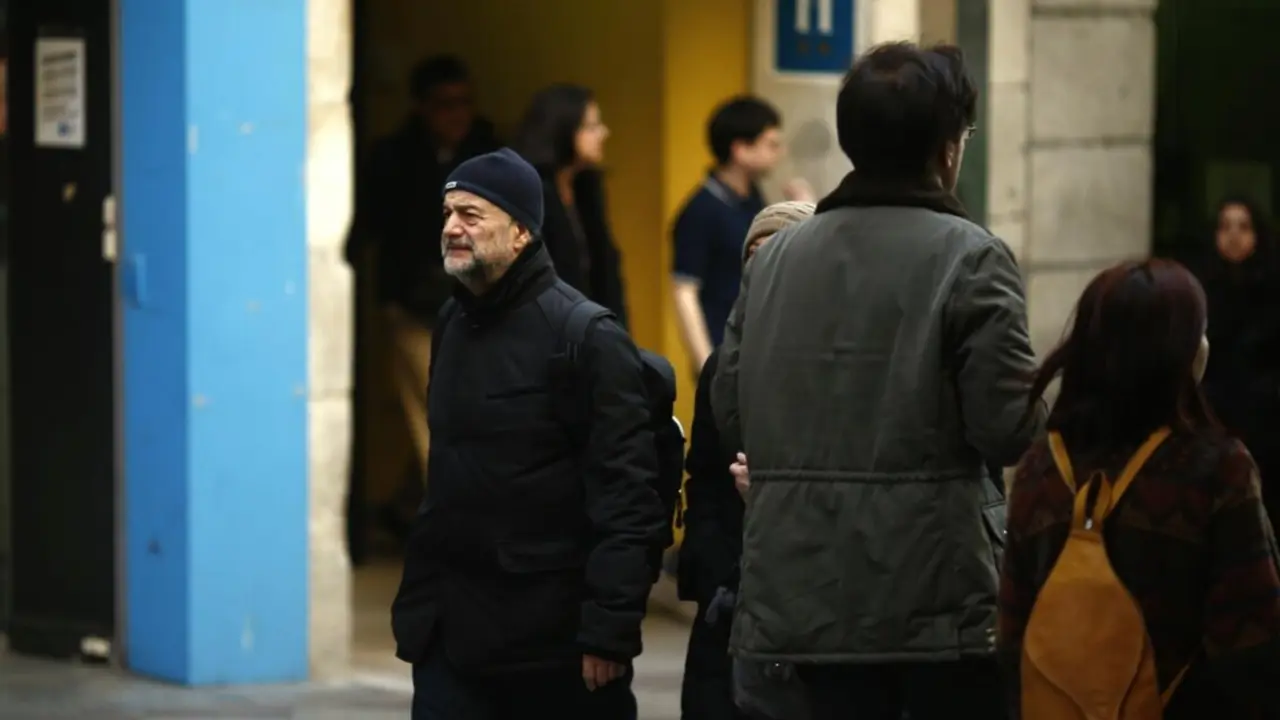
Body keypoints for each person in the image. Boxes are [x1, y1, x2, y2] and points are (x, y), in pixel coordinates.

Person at [711, 42, 1043, 719]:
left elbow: (733, 411)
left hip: (797, 592)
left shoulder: (775, 261)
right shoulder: (972, 258)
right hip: (931, 605)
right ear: (948, 148)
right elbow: (1007, 428)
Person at [390, 148, 668, 720]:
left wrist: (608, 632)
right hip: (451, 641)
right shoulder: (451, 323)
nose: (451, 228)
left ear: (520, 232)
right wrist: (421, 611)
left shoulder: (584, 336)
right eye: (446, 214)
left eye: (471, 215)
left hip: (553, 650)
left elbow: (628, 498)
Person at [999, 258, 1280, 718]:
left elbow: (1013, 642)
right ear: (1184, 352)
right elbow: (1253, 648)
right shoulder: (1216, 471)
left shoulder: (1040, 470)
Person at [346, 54, 500, 544]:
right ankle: (457, 527)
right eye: (444, 105)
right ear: (421, 107)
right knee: (432, 412)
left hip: (478, 302)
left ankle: (409, 503)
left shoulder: (488, 151)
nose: (457, 114)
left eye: (464, 103)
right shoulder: (394, 156)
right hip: (414, 305)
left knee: (471, 410)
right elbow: (366, 227)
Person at [679, 201, 815, 720]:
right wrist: (715, 578)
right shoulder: (725, 365)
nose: (762, 272)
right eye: (753, 257)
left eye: (778, 256)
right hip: (733, 598)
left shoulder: (844, 361)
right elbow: (705, 479)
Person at [671, 96, 813, 376]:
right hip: (724, 353)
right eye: (771, 144)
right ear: (741, 149)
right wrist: (707, 367)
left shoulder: (752, 200)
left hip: (757, 347)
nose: (780, 152)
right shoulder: (701, 210)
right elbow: (684, 291)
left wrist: (806, 212)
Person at [514, 84, 629, 327]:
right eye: (592, 126)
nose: (604, 133)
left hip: (593, 336)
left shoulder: (587, 188)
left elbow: (605, 274)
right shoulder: (530, 193)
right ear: (564, 130)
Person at [1196, 195, 1280, 523]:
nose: (1233, 236)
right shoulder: (1201, 293)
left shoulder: (1272, 290)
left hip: (1268, 426)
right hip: (1216, 421)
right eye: (1225, 227)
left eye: (1243, 227)